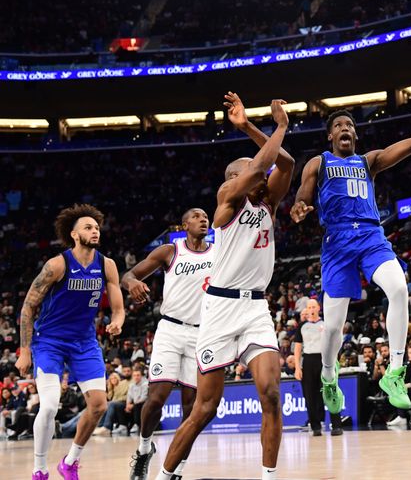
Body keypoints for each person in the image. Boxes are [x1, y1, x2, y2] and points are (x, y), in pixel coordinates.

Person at [290, 84, 411, 416]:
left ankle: (394, 372)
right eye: (338, 126)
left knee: (398, 289)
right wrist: (300, 207)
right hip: (337, 244)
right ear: (330, 137)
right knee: (334, 326)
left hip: (371, 237)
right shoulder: (319, 162)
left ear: (356, 136)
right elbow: (303, 194)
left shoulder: (369, 161)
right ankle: (329, 377)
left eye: (349, 126)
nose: (345, 129)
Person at [155, 96, 294, 480]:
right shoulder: (226, 202)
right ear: (234, 179)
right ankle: (164, 475)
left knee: (270, 393)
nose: (258, 172)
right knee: (205, 408)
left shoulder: (270, 204)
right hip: (218, 310)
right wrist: (277, 127)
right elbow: (266, 161)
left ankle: (268, 476)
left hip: (255, 310)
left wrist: (253, 128)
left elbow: (286, 164)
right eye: (249, 169)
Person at [15, 204, 125, 480]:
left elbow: (119, 308)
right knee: (50, 405)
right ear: (75, 235)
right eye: (88, 227)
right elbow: (28, 307)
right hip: (50, 341)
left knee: (99, 404)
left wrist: (117, 323)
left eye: (97, 227)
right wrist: (25, 350)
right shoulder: (57, 264)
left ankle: (70, 461)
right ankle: (40, 468)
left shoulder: (106, 264)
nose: (95, 231)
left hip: (84, 341)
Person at [123, 207, 214, 480]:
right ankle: (143, 450)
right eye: (197, 216)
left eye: (206, 216)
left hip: (202, 334)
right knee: (156, 399)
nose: (203, 219)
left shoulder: (218, 253)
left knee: (191, 409)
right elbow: (130, 275)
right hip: (171, 330)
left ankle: (177, 470)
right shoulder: (170, 251)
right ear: (184, 225)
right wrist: (132, 285)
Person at [294, 299, 342, 437]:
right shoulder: (302, 326)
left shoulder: (326, 324)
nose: (312, 309)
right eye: (309, 307)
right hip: (308, 360)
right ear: (307, 310)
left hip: (325, 359)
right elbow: (297, 348)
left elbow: (334, 342)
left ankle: (337, 425)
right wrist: (298, 367)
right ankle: (315, 426)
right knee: (310, 395)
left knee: (330, 391)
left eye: (314, 306)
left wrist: (334, 361)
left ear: (319, 308)